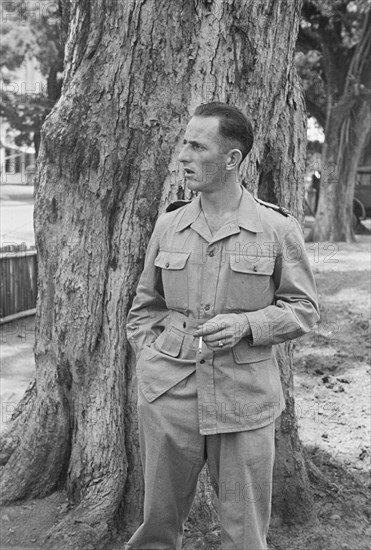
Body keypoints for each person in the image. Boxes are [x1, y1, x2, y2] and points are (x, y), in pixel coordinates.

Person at [125, 102, 319, 549]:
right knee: (157, 526)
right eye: (184, 144)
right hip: (169, 394)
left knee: (245, 531)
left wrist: (247, 325)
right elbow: (144, 308)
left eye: (197, 146)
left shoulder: (276, 229)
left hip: (244, 398)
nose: (183, 156)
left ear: (232, 159)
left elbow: (304, 308)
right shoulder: (169, 225)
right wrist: (151, 358)